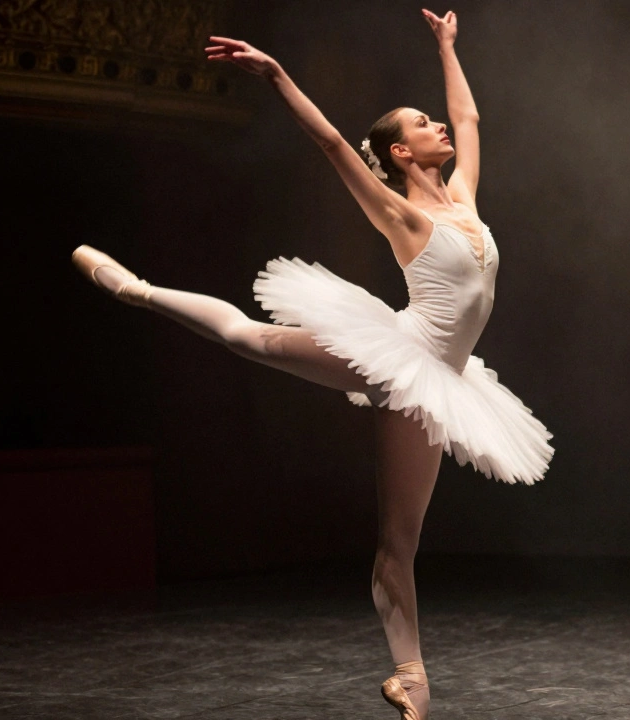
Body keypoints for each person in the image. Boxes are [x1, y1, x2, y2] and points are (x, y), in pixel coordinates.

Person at [71, 10, 552, 719]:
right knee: (249, 337)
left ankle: (408, 677)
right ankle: (136, 290)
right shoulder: (400, 215)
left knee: (399, 541)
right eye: (421, 123)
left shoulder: (465, 201)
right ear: (399, 152)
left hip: (443, 381)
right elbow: (330, 141)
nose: (439, 127)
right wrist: (275, 73)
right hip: (401, 354)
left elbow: (470, 118)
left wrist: (448, 47)